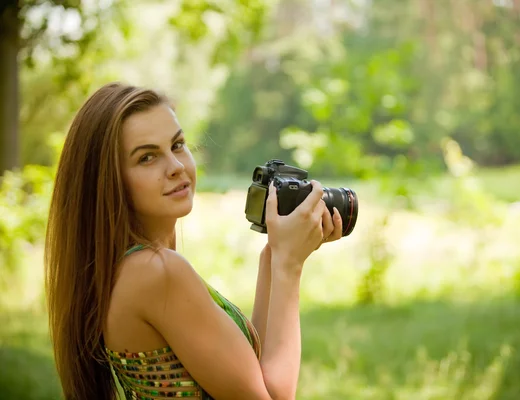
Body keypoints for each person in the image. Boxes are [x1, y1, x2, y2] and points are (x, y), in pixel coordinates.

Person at [44, 82, 344, 399]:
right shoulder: (157, 272)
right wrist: (289, 265)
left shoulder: (130, 267)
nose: (175, 167)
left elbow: (250, 371)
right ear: (109, 181)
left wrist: (275, 254)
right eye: (147, 157)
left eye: (177, 145)